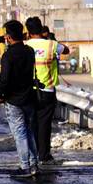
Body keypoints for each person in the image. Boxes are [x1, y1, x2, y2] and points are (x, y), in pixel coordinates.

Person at [0, 19, 38, 178]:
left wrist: (0, 94)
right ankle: (34, 164)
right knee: (28, 131)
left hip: (14, 99)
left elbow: (5, 79)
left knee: (19, 133)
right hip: (29, 97)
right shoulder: (29, 51)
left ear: (8, 37)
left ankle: (24, 166)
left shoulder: (8, 55)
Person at [25, 17, 70, 164]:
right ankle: (44, 155)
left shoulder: (25, 45)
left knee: (31, 124)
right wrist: (48, 39)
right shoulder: (51, 45)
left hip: (28, 90)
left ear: (28, 31)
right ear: (42, 30)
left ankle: (32, 154)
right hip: (47, 90)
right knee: (44, 124)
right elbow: (66, 50)